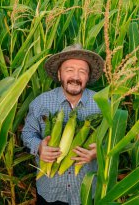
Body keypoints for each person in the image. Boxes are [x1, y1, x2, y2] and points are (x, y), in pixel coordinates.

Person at [22, 44, 104, 205]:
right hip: (50, 190)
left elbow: (114, 138)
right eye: (69, 70)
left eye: (82, 71)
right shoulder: (41, 103)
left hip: (88, 191)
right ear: (59, 75)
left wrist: (99, 151)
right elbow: (27, 133)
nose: (76, 76)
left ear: (88, 77)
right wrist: (39, 147)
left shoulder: (102, 104)